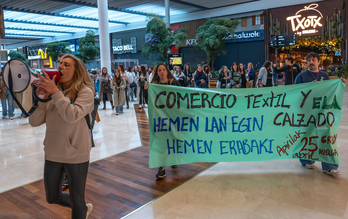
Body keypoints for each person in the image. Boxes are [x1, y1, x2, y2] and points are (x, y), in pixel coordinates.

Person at [29, 54, 94, 218]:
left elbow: (72, 115)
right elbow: (34, 121)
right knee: (52, 197)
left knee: (76, 198)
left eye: (66, 65)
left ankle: (81, 208)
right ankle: (83, 208)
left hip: (76, 153)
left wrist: (55, 92)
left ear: (77, 71)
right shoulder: (53, 94)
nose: (60, 67)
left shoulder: (85, 92)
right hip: (53, 152)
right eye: (60, 64)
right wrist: (43, 99)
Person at [295, 52, 347, 175]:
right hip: (307, 112)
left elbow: (330, 91)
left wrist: (341, 84)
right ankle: (306, 160)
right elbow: (295, 92)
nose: (310, 62)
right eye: (308, 60)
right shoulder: (301, 76)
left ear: (319, 62)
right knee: (307, 136)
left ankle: (329, 165)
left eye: (313, 60)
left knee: (326, 137)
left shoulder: (324, 75)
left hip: (323, 113)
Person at [144, 64, 180, 179]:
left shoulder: (174, 83)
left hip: (173, 117)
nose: (162, 72)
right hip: (159, 119)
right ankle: (162, 168)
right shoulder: (154, 85)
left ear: (167, 71)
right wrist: (146, 91)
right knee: (161, 142)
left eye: (164, 69)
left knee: (173, 139)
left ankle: (173, 158)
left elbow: (182, 97)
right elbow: (148, 101)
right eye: (159, 70)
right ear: (157, 73)